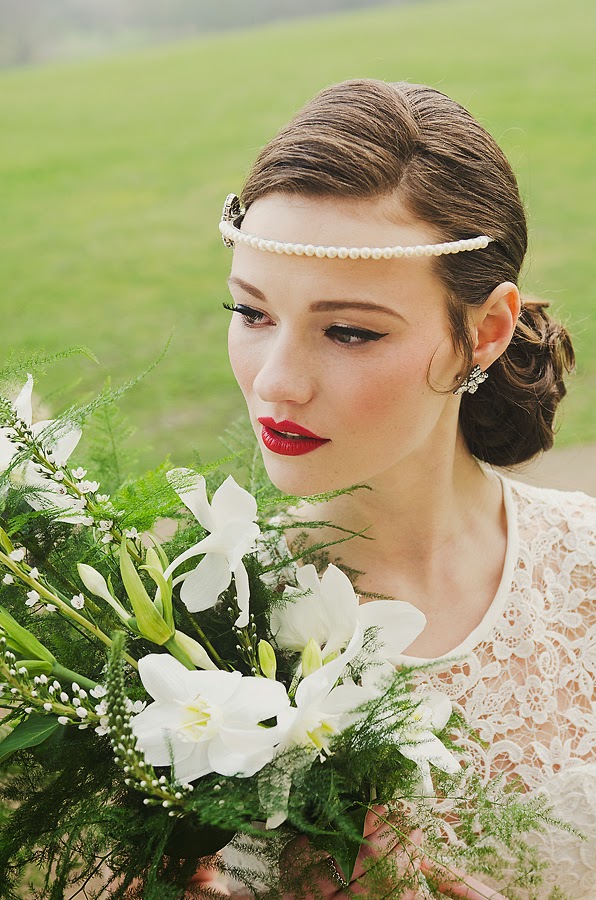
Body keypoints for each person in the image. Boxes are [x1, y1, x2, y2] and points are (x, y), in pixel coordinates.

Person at [215, 79, 595, 898]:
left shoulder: (588, 567)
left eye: (349, 331)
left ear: (485, 332)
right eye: (251, 313)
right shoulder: (196, 632)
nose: (275, 382)